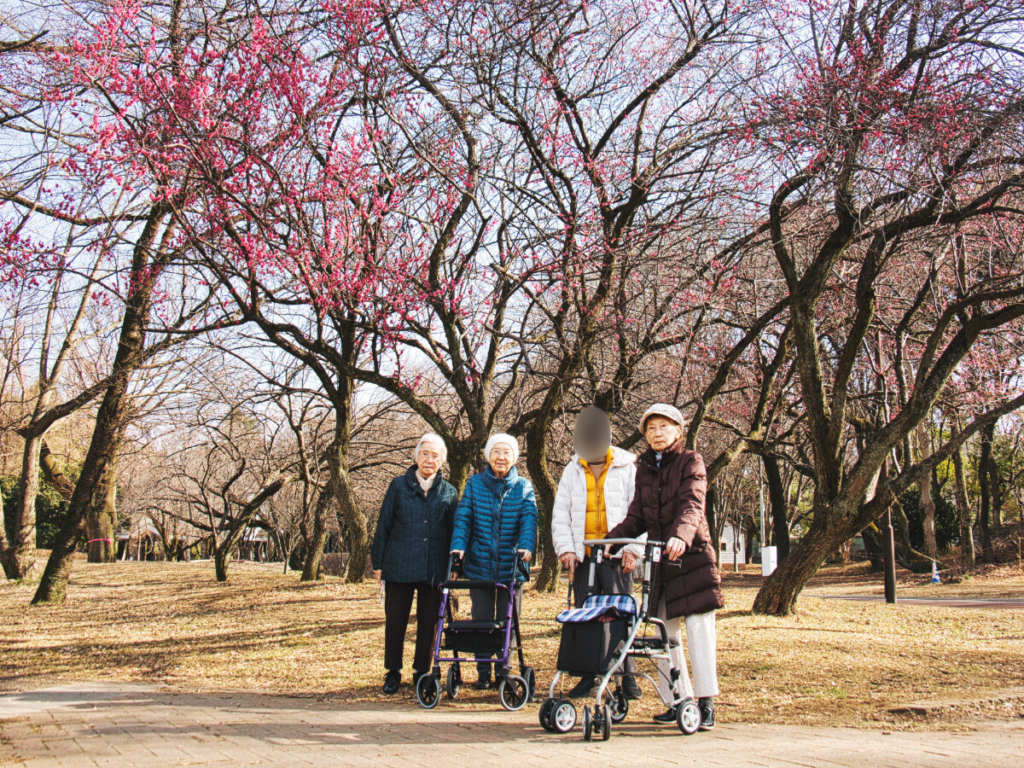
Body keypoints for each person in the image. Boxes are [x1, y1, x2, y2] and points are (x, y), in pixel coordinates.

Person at [606, 403, 723, 731]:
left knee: (699, 631)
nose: (658, 433)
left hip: (692, 556)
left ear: (678, 431)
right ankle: (678, 700)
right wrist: (609, 542)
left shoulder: (691, 461)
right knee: (661, 632)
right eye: (651, 428)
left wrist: (681, 537)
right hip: (661, 561)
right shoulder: (643, 466)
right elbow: (637, 516)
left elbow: (692, 504)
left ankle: (706, 702)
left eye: (664, 427)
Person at [551, 405, 644, 700]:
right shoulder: (572, 468)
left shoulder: (627, 466)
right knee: (586, 615)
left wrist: (632, 549)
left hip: (616, 556)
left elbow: (639, 511)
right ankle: (588, 675)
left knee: (622, 614)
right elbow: (560, 514)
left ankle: (626, 677)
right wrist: (566, 549)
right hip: (584, 555)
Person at [371, 433, 458, 695]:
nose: (429, 460)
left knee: (429, 621)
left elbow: (455, 531)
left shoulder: (449, 492)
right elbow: (383, 524)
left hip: (434, 566)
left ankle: (422, 671)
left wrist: (455, 567)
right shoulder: (398, 486)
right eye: (425, 454)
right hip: (399, 564)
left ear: (442, 460)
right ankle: (392, 672)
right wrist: (378, 563)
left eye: (435, 456)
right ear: (416, 456)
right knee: (395, 619)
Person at [450, 433, 538, 689]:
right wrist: (458, 547)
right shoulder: (474, 484)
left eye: (507, 452)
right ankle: (482, 671)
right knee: (481, 619)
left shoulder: (524, 486)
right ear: (488, 455)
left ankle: (504, 670)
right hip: (480, 564)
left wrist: (526, 545)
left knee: (508, 620)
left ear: (514, 458)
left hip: (512, 566)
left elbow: (529, 519)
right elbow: (464, 518)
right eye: (496, 452)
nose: (501, 457)